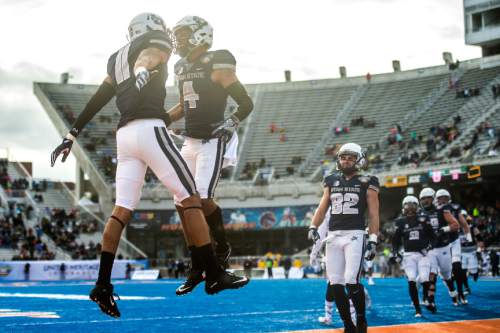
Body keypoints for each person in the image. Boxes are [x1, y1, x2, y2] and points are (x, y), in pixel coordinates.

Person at [50, 13, 248, 318]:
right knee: (191, 198)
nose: (172, 37)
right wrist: (143, 68)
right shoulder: (153, 43)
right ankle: (214, 273)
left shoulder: (116, 58)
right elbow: (148, 55)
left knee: (121, 210)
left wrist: (71, 133)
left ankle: (102, 286)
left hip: (124, 136)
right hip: (149, 130)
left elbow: (101, 96)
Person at [167, 16, 254, 296]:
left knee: (202, 200)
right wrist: (159, 120)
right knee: (183, 205)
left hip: (211, 139)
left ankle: (221, 247)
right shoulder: (180, 66)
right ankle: (196, 267)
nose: (177, 40)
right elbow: (183, 105)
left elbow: (245, 102)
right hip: (189, 141)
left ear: (200, 35)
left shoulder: (218, 60)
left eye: (182, 34)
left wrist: (230, 123)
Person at [308, 143, 380, 333]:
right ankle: (348, 325)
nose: (346, 160)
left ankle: (362, 320)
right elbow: (322, 207)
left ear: (359, 160)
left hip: (355, 234)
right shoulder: (330, 180)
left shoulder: (368, 180)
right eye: (343, 157)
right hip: (333, 235)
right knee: (335, 282)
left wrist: (373, 239)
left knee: (351, 279)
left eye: (350, 157)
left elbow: (373, 214)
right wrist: (313, 226)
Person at [391, 196, 435, 317]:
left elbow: (432, 236)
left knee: (425, 279)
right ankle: (417, 309)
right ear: (403, 208)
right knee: (411, 280)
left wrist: (430, 246)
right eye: (407, 206)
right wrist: (395, 252)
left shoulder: (423, 219)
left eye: (412, 206)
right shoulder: (400, 222)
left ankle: (426, 298)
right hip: (409, 255)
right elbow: (395, 241)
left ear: (417, 207)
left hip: (423, 255)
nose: (410, 209)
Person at [419, 188, 459, 312]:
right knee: (432, 274)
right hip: (430, 249)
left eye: (427, 198)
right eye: (422, 198)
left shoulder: (442, 210)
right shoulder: (419, 213)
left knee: (447, 275)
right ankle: (431, 300)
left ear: (433, 198)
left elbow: (455, 225)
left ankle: (452, 291)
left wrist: (443, 230)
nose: (425, 201)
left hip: (443, 247)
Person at [435, 189, 471, 304]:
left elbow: (463, 222)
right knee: (445, 272)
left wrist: (468, 235)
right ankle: (453, 291)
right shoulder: (434, 210)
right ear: (437, 199)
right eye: (440, 198)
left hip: (454, 241)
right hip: (441, 244)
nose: (443, 200)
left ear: (449, 198)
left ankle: (461, 293)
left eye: (445, 197)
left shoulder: (454, 208)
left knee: (457, 267)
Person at [460, 209, 479, 294]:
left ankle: (475, 273)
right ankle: (466, 287)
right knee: (462, 271)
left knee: (473, 270)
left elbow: (479, 237)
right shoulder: (456, 226)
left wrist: (479, 248)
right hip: (461, 252)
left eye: (464, 217)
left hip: (471, 251)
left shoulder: (472, 227)